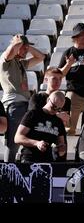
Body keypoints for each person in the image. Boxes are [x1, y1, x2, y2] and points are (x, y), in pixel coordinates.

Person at [0, 34, 45, 162]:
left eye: (27, 48)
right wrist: (17, 43)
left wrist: (27, 47)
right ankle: (8, 173)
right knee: (13, 143)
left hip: (25, 104)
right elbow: (10, 52)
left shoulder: (21, 63)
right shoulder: (5, 59)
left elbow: (41, 57)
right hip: (14, 104)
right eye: (23, 48)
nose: (26, 50)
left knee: (29, 138)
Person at [14, 91, 67, 163]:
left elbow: (61, 146)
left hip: (48, 161)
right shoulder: (33, 114)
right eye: (53, 107)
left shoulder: (58, 121)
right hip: (30, 159)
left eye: (59, 109)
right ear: (48, 100)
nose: (55, 111)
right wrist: (36, 143)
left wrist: (61, 149)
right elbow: (17, 138)